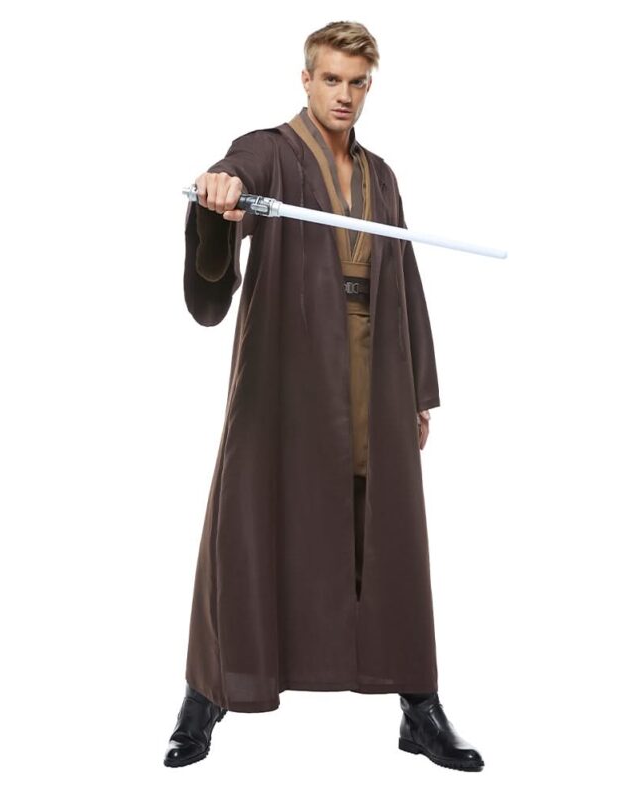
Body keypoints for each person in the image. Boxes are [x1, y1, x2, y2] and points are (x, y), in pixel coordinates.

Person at [164, 21, 484, 772]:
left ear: (370, 86)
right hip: (290, 365)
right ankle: (206, 695)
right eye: (332, 79)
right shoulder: (270, 151)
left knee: (388, 528)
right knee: (249, 516)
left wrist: (419, 389)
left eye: (357, 82)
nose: (344, 95)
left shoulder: (382, 176)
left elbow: (403, 276)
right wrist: (220, 194)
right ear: (306, 79)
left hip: (376, 364)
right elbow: (234, 174)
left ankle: (418, 705)